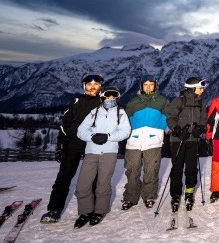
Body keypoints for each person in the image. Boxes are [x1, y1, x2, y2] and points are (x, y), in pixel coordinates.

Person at [40, 73, 105, 223]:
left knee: (93, 177)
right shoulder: (76, 102)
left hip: (92, 143)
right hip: (74, 143)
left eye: (96, 84)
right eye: (89, 85)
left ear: (100, 86)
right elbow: (64, 126)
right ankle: (54, 209)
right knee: (64, 176)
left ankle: (93, 209)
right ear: (84, 86)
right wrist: (61, 146)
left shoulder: (104, 102)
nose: (92, 87)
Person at [73, 86, 131, 227]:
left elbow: (126, 132)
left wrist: (109, 137)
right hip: (91, 152)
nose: (110, 100)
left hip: (109, 152)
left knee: (103, 184)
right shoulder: (94, 112)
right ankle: (86, 212)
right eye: (107, 97)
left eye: (113, 98)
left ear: (117, 99)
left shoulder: (121, 113)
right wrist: (92, 137)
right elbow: (80, 131)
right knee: (83, 184)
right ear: (102, 98)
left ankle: (99, 211)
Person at [121, 74, 169, 210]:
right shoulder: (133, 102)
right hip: (134, 141)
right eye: (145, 84)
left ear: (155, 85)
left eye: (151, 84)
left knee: (151, 169)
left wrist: (161, 131)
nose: (148, 87)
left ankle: (149, 195)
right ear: (141, 86)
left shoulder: (162, 101)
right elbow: (126, 120)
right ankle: (130, 197)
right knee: (132, 170)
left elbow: (167, 117)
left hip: (154, 141)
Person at [165, 77, 208, 213]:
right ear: (192, 88)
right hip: (178, 141)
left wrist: (200, 129)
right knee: (177, 169)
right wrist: (177, 130)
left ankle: (189, 193)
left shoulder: (201, 103)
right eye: (200, 88)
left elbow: (203, 118)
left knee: (191, 169)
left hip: (192, 140)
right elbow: (170, 118)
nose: (202, 90)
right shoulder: (179, 101)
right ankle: (175, 195)